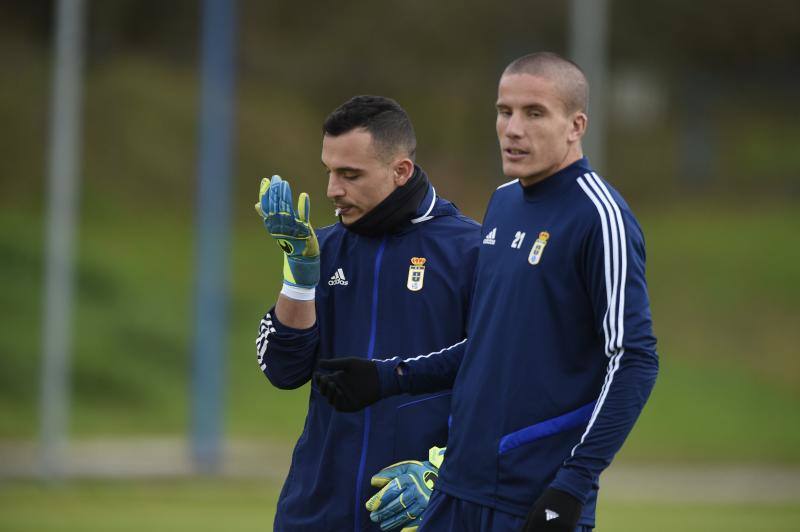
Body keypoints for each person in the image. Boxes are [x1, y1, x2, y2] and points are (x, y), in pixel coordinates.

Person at [314, 52, 659, 531]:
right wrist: (389, 377)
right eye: (504, 111)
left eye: (534, 113)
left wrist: (574, 483)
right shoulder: (503, 204)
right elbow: (489, 343)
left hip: (534, 498)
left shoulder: (600, 218)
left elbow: (635, 359)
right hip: (458, 488)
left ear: (576, 125)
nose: (513, 128)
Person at [254, 95, 481, 531]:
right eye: (329, 172)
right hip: (316, 511)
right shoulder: (323, 248)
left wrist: (443, 472)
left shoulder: (470, 251)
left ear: (401, 171)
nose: (332, 190)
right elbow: (283, 370)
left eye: (350, 174)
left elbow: (497, 376)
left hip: (417, 510)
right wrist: (299, 278)